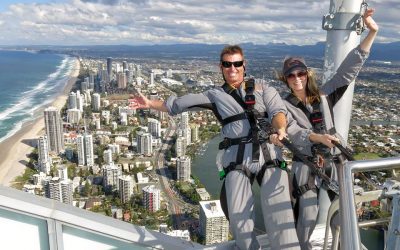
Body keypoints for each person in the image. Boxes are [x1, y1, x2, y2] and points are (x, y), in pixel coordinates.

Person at [129, 45, 303, 249]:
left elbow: (277, 112)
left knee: (280, 215)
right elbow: (178, 104)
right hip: (237, 159)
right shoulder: (215, 95)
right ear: (221, 67)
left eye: (237, 63)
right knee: (239, 221)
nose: (233, 68)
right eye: (227, 64)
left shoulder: (264, 88)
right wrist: (149, 103)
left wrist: (281, 129)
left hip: (269, 154)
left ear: (244, 65)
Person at [277, 9, 379, 250]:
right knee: (307, 216)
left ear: (307, 73)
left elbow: (349, 70)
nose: (297, 78)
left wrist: (372, 32)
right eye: (291, 76)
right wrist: (317, 137)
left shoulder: (324, 94)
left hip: (334, 159)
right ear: (286, 79)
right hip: (307, 162)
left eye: (300, 73)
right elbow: (291, 130)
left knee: (343, 211)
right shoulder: (283, 105)